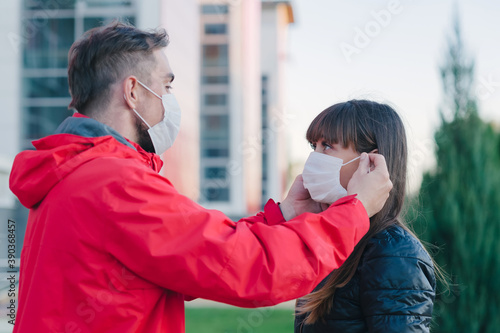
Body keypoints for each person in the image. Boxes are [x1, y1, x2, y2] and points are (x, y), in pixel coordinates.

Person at [9, 22, 392, 333]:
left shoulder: (72, 170)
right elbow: (246, 268)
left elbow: (195, 255)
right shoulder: (114, 182)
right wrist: (354, 211)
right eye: (167, 86)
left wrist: (286, 212)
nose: (171, 100)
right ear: (132, 92)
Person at [294, 100, 436, 333]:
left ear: (370, 163)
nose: (314, 159)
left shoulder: (393, 253)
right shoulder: (334, 239)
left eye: (327, 146)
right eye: (314, 147)